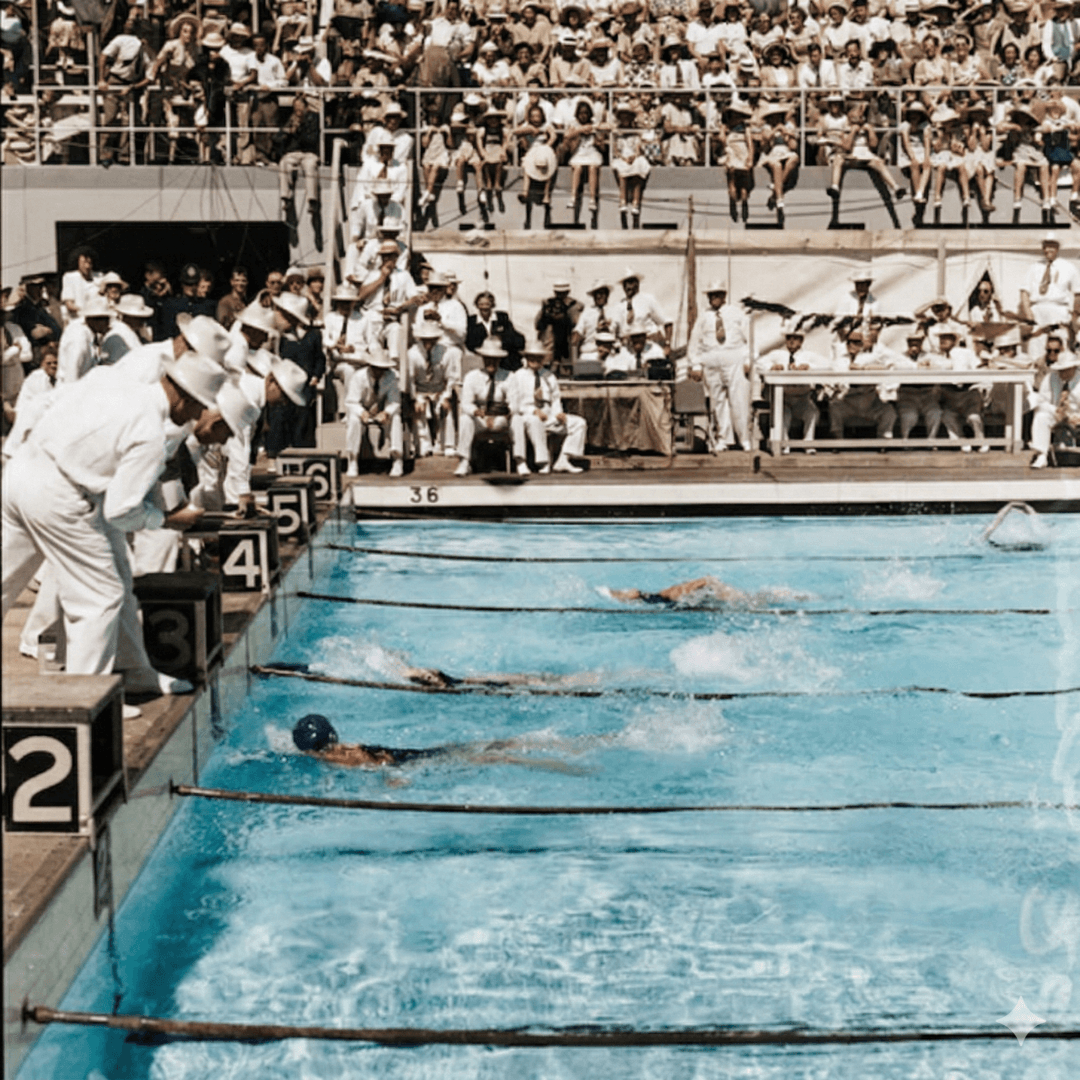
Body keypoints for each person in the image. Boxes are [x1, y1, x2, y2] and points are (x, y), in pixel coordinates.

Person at [1, 352, 222, 687]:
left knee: (8, 577)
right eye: (196, 407)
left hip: (21, 471)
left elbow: (48, 404)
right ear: (183, 395)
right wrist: (165, 518)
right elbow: (120, 511)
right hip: (61, 494)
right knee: (99, 598)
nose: (194, 416)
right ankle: (85, 699)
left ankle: (134, 671)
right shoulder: (149, 431)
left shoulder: (109, 378)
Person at [290, 714, 587, 773]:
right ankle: (572, 747)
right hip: (418, 754)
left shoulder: (336, 759)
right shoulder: (344, 749)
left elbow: (381, 765)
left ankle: (561, 765)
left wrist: (394, 779)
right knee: (501, 746)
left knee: (499, 756)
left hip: (418, 761)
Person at [687, 281, 751, 452]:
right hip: (711, 359)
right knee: (717, 401)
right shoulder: (703, 316)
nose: (714, 298)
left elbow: (750, 338)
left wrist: (748, 360)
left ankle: (744, 439)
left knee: (739, 399)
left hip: (733, 357)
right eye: (711, 295)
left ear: (724, 295)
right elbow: (695, 342)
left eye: (717, 294)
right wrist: (696, 364)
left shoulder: (736, 313)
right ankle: (723, 438)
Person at [508, 341, 587, 474]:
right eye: (532, 357)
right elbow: (514, 403)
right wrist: (533, 411)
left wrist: (558, 413)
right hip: (527, 416)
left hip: (548, 415)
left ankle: (563, 460)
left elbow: (555, 399)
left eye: (539, 357)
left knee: (579, 423)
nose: (535, 360)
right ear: (526, 358)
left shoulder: (549, 376)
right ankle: (541, 462)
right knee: (534, 421)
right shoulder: (518, 376)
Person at [758, 319, 830, 453]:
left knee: (812, 412)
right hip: (783, 398)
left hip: (802, 397)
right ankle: (784, 445)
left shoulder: (808, 355)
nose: (792, 341)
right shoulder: (777, 354)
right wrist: (772, 366)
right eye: (789, 338)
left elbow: (828, 365)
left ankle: (808, 444)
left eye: (795, 339)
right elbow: (759, 363)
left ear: (801, 341)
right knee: (782, 414)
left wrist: (809, 367)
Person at [343, 345, 404, 477]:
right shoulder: (358, 377)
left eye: (382, 368)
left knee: (396, 418)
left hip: (381, 410)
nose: (379, 371)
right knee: (353, 420)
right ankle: (353, 460)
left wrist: (386, 412)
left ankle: (397, 459)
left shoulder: (391, 376)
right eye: (376, 368)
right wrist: (362, 412)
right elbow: (351, 401)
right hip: (362, 410)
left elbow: (394, 401)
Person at [455, 338, 512, 476]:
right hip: (480, 418)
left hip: (502, 420)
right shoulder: (472, 376)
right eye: (488, 359)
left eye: (495, 359)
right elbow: (466, 403)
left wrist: (499, 416)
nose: (491, 362)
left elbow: (513, 404)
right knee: (465, 419)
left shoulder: (509, 376)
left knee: (516, 419)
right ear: (483, 358)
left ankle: (520, 462)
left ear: (500, 360)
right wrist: (476, 412)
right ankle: (464, 461)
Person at [406, 320, 459, 460]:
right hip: (420, 390)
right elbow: (410, 379)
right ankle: (423, 445)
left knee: (445, 410)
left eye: (432, 339)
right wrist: (415, 398)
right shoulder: (412, 353)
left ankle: (447, 445)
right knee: (419, 411)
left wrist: (446, 396)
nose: (428, 342)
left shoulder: (446, 352)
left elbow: (451, 377)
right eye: (425, 339)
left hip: (439, 389)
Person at [1029, 342, 1080, 468]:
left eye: (1066, 369)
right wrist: (1056, 410)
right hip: (1056, 412)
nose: (1062, 372)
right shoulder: (1050, 377)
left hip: (1076, 414)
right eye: (1060, 369)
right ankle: (1042, 455)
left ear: (1074, 368)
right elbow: (1041, 401)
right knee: (1041, 416)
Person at [605, 576, 806, 607]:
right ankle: (791, 596)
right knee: (752, 599)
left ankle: (791, 596)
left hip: (702, 591)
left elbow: (706, 581)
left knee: (751, 599)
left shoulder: (668, 595)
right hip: (699, 592)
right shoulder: (666, 595)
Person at [1020, 233, 1080, 329]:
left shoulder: (1068, 267)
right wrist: (1028, 312)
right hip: (1037, 311)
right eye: (1045, 246)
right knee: (1036, 341)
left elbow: (1078, 293)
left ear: (1057, 247)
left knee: (1057, 340)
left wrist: (1075, 316)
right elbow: (1024, 291)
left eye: (1051, 246)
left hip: (1059, 311)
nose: (1048, 250)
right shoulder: (1034, 267)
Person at [57, 295, 112, 383]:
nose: (108, 323)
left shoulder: (90, 335)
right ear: (92, 320)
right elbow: (72, 372)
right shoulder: (79, 337)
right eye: (104, 319)